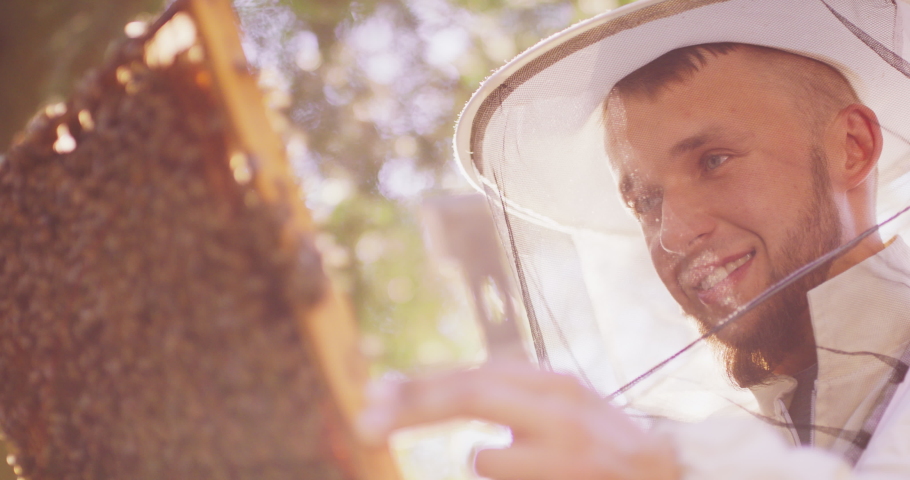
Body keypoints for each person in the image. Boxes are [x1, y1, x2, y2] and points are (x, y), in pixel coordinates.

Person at [358, 1, 910, 478]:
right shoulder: (752, 437)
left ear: (853, 146)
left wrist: (660, 468)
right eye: (645, 202)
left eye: (713, 161)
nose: (672, 233)